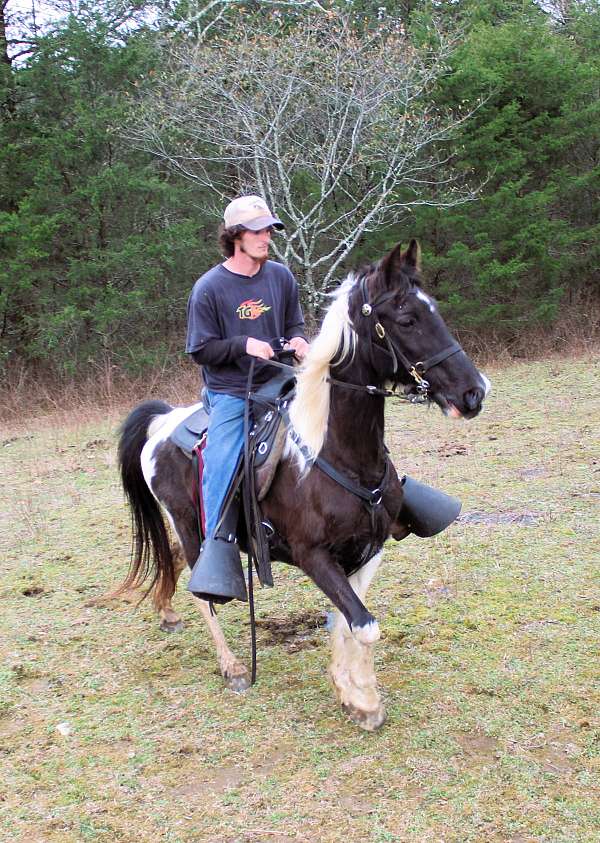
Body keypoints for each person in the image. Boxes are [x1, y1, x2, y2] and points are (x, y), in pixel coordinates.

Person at [185, 195, 309, 602]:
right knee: (220, 462)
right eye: (257, 231)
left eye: (269, 230)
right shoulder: (209, 288)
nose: (266, 238)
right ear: (235, 236)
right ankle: (217, 549)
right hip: (233, 394)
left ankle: (389, 500)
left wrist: (299, 340)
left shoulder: (280, 277)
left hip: (282, 382)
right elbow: (201, 349)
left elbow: (294, 322)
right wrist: (243, 345)